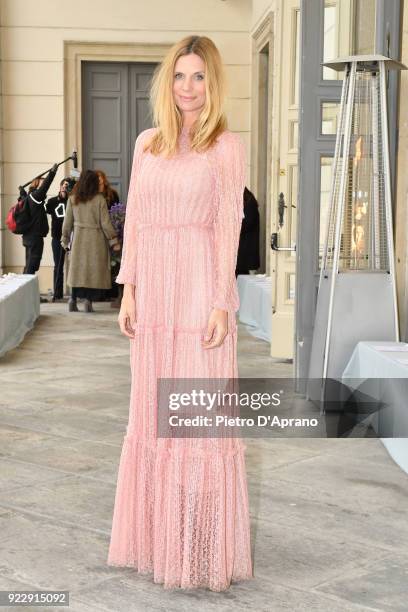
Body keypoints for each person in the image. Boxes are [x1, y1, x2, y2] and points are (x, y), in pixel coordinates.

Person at [107, 35, 253, 591]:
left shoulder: (225, 145)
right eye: (179, 76)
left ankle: (198, 546)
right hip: (156, 296)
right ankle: (155, 541)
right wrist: (129, 289)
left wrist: (222, 301)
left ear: (212, 84)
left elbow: (227, 226)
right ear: (166, 82)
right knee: (151, 414)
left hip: (196, 292)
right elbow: (137, 220)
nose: (188, 88)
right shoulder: (148, 143)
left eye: (198, 77)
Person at [60, 170, 121, 313]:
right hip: (96, 240)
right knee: (91, 271)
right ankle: (88, 301)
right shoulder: (99, 199)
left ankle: (72, 300)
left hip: (79, 239)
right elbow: (105, 223)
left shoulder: (73, 198)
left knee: (77, 270)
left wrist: (65, 239)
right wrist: (113, 240)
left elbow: (67, 222)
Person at [21, 164, 58, 277]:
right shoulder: (36, 196)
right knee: (31, 266)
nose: (44, 183)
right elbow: (46, 186)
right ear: (37, 184)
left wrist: (22, 192)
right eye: (42, 181)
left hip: (29, 237)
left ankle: (26, 291)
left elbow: (23, 198)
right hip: (34, 238)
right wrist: (52, 173)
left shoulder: (28, 197)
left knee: (29, 265)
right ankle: (26, 293)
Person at [46, 177, 70, 300]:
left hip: (71, 237)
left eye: (68, 185)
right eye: (64, 185)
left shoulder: (73, 201)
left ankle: (76, 294)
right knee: (58, 265)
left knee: (75, 265)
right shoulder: (52, 202)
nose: (65, 187)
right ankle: (58, 293)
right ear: (60, 186)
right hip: (57, 237)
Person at [235, 186, 261, 276]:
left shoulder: (249, 203)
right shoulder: (247, 202)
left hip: (246, 257)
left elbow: (246, 224)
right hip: (243, 257)